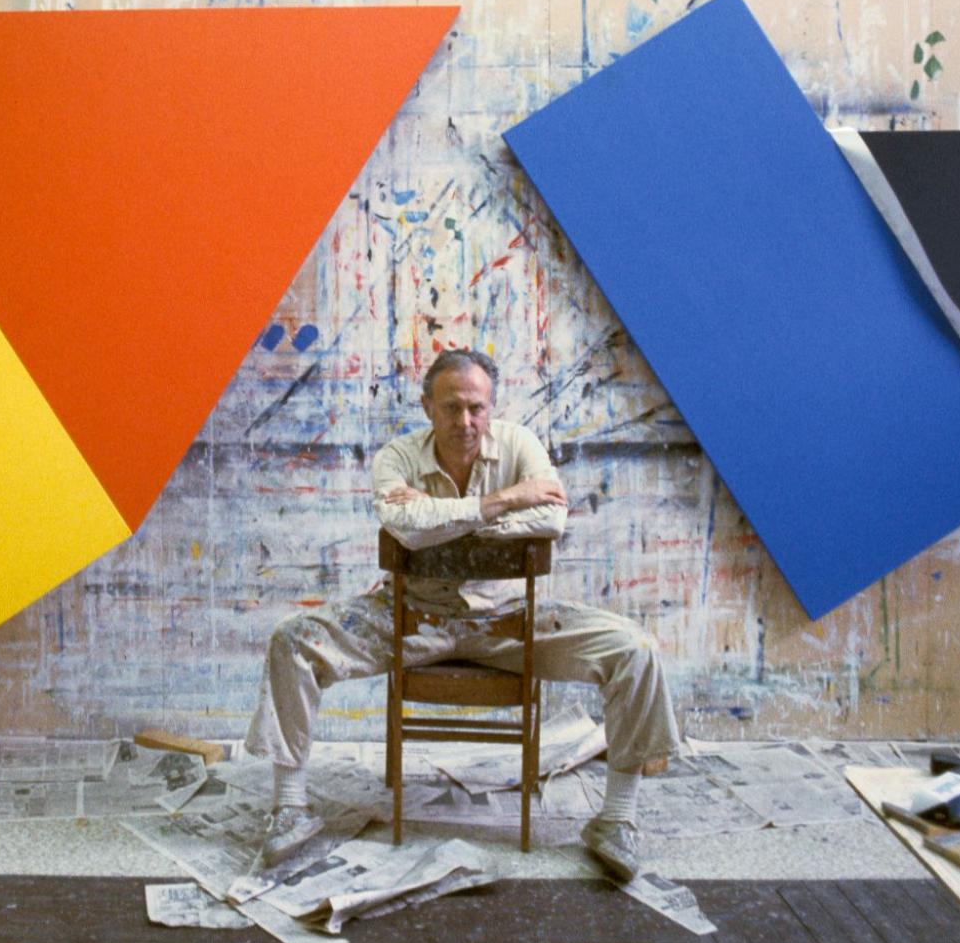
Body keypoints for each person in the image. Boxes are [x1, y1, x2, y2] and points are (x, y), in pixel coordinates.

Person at [242, 348, 681, 882]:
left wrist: (443, 524)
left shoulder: (519, 444)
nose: (465, 421)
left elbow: (553, 519)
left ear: (491, 408)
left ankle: (616, 819)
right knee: (293, 639)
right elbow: (402, 524)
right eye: (451, 407)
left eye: (476, 408)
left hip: (511, 618)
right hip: (412, 616)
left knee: (635, 650)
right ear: (427, 406)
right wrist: (504, 502)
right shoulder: (396, 458)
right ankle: (290, 805)